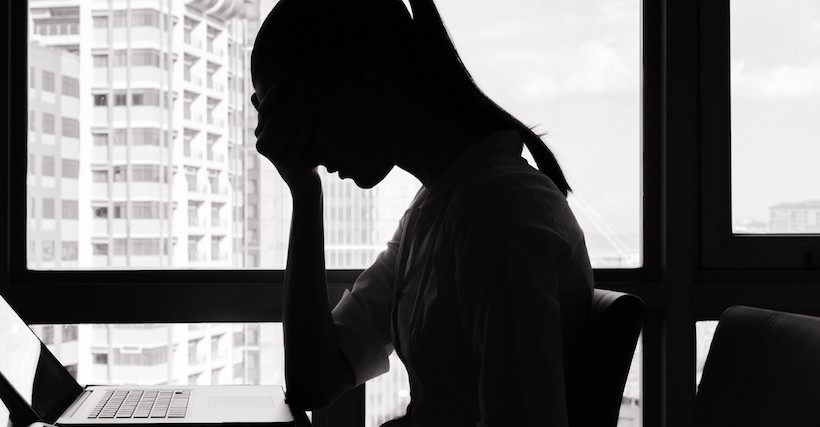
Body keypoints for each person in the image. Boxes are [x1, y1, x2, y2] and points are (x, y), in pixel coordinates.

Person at [251, 0, 594, 425]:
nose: (304, 149)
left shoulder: (497, 213)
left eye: (300, 118)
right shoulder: (440, 211)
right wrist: (305, 195)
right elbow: (314, 382)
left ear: (361, 74)